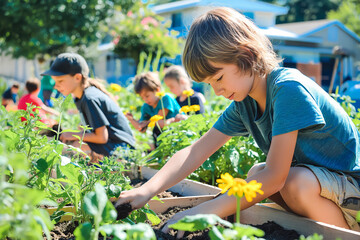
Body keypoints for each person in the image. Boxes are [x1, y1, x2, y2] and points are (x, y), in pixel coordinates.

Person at [115, 7, 360, 235]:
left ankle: (345, 235)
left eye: (219, 77)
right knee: (256, 174)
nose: (217, 90)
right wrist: (147, 190)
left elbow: (276, 177)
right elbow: (197, 150)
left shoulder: (288, 89)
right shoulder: (245, 103)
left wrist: (201, 212)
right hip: (324, 187)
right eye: (210, 84)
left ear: (247, 54)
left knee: (290, 181)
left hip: (351, 189)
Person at [41, 53, 136, 162]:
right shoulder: (82, 96)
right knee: (74, 145)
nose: (55, 86)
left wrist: (72, 134)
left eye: (60, 81)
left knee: (76, 146)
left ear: (77, 77)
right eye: (55, 81)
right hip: (114, 146)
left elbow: (102, 137)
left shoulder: (89, 98)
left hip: (122, 150)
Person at [125, 72, 181, 148]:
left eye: (147, 96)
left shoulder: (165, 98)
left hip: (178, 132)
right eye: (142, 98)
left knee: (158, 126)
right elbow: (141, 129)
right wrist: (132, 120)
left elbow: (159, 119)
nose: (145, 100)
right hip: (162, 135)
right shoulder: (146, 106)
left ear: (157, 90)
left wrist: (145, 123)